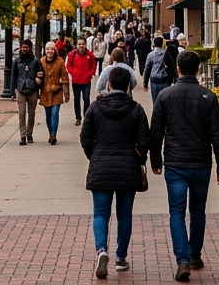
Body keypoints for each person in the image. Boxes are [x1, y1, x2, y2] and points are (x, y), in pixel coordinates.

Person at [148, 50, 219, 282]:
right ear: (199, 70)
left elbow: (156, 133)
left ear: (178, 69)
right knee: (197, 210)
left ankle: (182, 259)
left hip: (175, 162)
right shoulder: (208, 96)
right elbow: (217, 135)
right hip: (201, 161)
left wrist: (155, 161)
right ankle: (194, 255)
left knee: (176, 211)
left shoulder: (164, 96)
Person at [81, 66, 150, 280]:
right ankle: (121, 258)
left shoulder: (95, 108)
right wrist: (140, 157)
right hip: (127, 167)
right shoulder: (136, 109)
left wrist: (95, 154)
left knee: (100, 213)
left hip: (101, 165)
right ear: (129, 85)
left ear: (108, 84)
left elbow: (85, 138)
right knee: (124, 214)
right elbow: (145, 141)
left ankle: (101, 250)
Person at [37, 41, 69, 144]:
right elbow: (37, 76)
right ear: (45, 51)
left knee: (55, 113)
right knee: (48, 114)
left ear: (54, 50)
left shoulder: (60, 61)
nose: (49, 51)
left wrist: (66, 92)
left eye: (51, 49)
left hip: (56, 91)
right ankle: (50, 132)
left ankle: (53, 134)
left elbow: (64, 76)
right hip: (45, 92)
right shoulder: (41, 61)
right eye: (47, 49)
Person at [13, 39, 41, 145]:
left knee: (31, 114)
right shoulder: (17, 61)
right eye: (23, 47)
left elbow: (40, 73)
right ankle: (22, 135)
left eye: (26, 47)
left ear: (30, 48)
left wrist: (38, 82)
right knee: (21, 113)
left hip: (32, 90)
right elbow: (14, 76)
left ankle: (29, 134)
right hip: (20, 89)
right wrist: (13, 90)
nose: (24, 49)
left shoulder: (35, 61)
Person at [66, 37, 97, 126]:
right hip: (76, 81)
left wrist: (90, 74)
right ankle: (78, 117)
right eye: (79, 44)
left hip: (86, 81)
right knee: (76, 99)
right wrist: (73, 73)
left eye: (83, 44)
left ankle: (86, 117)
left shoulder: (90, 55)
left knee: (86, 99)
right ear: (76, 45)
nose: (81, 46)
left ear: (85, 44)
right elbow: (68, 66)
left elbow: (93, 66)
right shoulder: (72, 54)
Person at [143, 36, 171, 100]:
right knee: (165, 100)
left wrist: (145, 83)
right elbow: (171, 66)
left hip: (154, 79)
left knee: (156, 100)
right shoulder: (166, 54)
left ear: (154, 44)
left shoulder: (150, 55)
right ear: (162, 44)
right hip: (165, 79)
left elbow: (147, 69)